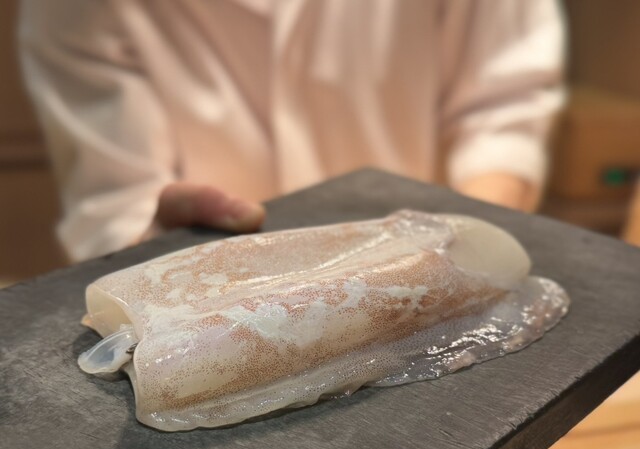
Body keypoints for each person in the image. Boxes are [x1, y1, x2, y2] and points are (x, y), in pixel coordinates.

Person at [18, 0, 566, 262]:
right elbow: (115, 202)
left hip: (418, 259)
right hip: (219, 296)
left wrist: (466, 256)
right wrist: (152, 249)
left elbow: (503, 108)